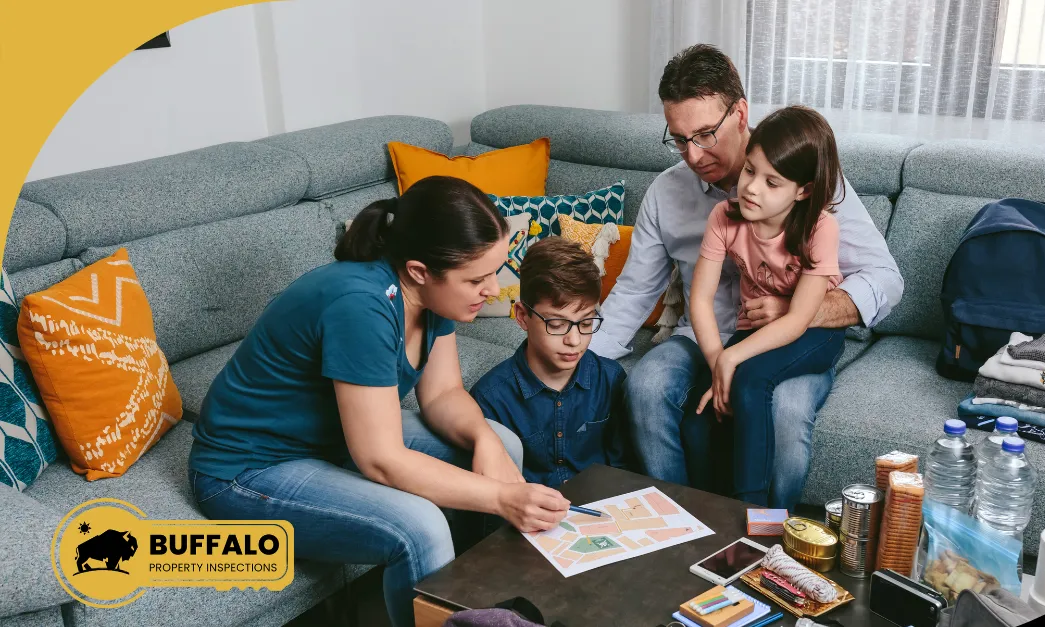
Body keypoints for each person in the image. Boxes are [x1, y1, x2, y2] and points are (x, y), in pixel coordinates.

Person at [187, 176, 570, 627]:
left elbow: (443, 393)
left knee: (502, 443)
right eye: (476, 278)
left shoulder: (434, 301)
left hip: (330, 440)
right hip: (247, 470)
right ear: (419, 271)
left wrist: (484, 439)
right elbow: (381, 459)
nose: (494, 289)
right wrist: (503, 497)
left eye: (495, 271)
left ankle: (487, 606)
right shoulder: (360, 305)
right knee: (418, 526)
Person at [588, 44, 904, 510]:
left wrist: (800, 310)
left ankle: (770, 540)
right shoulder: (668, 194)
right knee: (646, 385)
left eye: (705, 134)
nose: (693, 155)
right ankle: (681, 525)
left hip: (787, 336)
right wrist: (571, 360)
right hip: (702, 336)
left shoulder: (805, 178)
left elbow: (885, 277)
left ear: (740, 113)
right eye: (679, 139)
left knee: (787, 411)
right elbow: (634, 292)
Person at [692, 106, 847, 506]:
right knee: (706, 407)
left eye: (771, 181)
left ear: (803, 190)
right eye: (749, 171)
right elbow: (700, 299)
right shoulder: (724, 217)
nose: (751, 188)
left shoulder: (819, 227)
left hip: (814, 333)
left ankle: (755, 517)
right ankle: (712, 513)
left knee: (750, 380)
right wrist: (716, 362)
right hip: (754, 329)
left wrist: (733, 361)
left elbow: (798, 320)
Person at [471, 237, 632, 488]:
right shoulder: (490, 399)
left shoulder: (611, 380)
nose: (575, 340)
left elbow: (623, 470)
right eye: (557, 324)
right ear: (523, 317)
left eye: (586, 323)